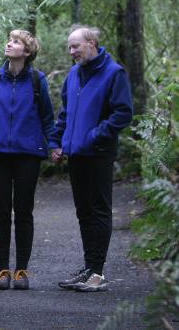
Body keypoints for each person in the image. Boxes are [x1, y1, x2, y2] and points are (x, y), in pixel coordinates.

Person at [0, 29, 58, 290]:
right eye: (9, 40)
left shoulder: (36, 80)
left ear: (28, 51)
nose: (10, 44)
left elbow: (47, 117)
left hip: (28, 156)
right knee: (0, 212)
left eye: (17, 42)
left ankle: (21, 270)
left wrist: (53, 145)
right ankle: (2, 271)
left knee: (23, 212)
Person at [51, 24, 133, 293]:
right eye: (69, 46)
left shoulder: (114, 73)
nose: (71, 51)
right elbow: (65, 114)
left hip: (98, 152)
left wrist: (94, 136)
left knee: (99, 211)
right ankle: (89, 268)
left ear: (92, 44)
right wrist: (59, 141)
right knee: (84, 212)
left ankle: (97, 273)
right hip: (76, 154)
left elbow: (123, 113)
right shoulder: (74, 75)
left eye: (75, 46)